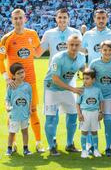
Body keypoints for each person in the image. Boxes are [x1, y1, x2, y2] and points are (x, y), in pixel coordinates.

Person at [0, 8, 44, 152]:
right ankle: (12, 144)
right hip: (15, 83)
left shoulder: (32, 34)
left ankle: (38, 143)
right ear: (12, 20)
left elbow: (38, 52)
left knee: (33, 110)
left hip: (30, 81)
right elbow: (0, 60)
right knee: (13, 112)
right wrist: (7, 78)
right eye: (15, 18)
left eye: (20, 18)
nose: (18, 21)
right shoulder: (6, 38)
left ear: (25, 19)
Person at [38, 8, 82, 149]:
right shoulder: (49, 33)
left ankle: (69, 143)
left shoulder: (76, 32)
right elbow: (38, 52)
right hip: (54, 80)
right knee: (52, 116)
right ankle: (52, 144)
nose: (62, 20)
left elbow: (82, 54)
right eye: (60, 17)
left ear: (68, 18)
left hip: (70, 79)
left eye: (65, 17)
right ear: (56, 19)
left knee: (72, 113)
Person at [43, 35, 85, 156]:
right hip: (52, 89)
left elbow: (83, 69)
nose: (74, 47)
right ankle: (51, 146)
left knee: (73, 116)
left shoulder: (81, 57)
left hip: (67, 89)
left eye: (77, 45)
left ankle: (69, 144)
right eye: (71, 44)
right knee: (51, 119)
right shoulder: (58, 58)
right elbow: (55, 79)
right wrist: (74, 89)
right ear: (67, 45)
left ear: (80, 46)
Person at [89, 40, 111, 156]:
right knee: (93, 122)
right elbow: (88, 79)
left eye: (110, 50)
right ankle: (92, 146)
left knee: (108, 122)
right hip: (96, 97)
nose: (107, 52)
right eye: (105, 50)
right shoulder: (94, 63)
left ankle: (108, 147)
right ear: (100, 50)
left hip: (108, 97)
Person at [5, 63, 32, 156]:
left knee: (25, 131)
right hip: (15, 114)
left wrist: (30, 109)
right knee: (12, 132)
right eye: (18, 73)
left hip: (25, 114)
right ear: (13, 75)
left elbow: (30, 99)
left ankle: (26, 148)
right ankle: (9, 148)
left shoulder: (28, 86)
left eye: (23, 72)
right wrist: (7, 106)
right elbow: (7, 99)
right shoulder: (11, 86)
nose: (22, 75)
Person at [76, 68, 104, 158]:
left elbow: (101, 101)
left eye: (87, 78)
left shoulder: (97, 90)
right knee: (84, 132)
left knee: (94, 132)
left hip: (95, 113)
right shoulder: (81, 90)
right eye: (84, 78)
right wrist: (79, 114)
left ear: (93, 80)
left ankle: (96, 150)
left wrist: (101, 112)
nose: (85, 80)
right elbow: (77, 103)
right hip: (85, 113)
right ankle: (84, 151)